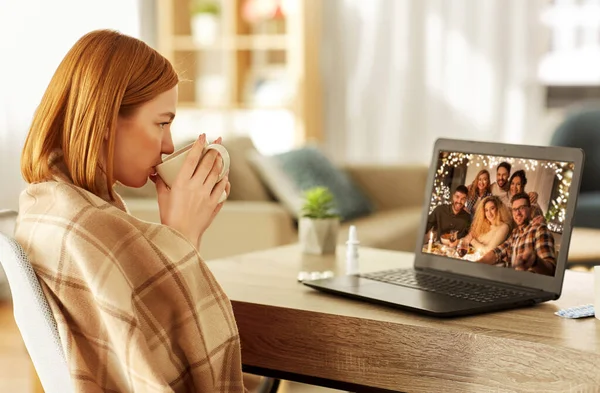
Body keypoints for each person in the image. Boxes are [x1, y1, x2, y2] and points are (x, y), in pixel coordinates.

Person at [14, 30, 246, 392]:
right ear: (107, 121)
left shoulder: (51, 208)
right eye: (162, 122)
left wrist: (175, 242)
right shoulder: (83, 226)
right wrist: (182, 236)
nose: (169, 145)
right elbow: (163, 373)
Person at [476, 193, 557, 276]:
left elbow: (550, 270)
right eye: (514, 209)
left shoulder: (539, 230)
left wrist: (535, 261)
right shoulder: (515, 233)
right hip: (509, 278)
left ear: (530, 209)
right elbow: (497, 252)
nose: (517, 213)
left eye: (521, 208)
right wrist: (476, 265)